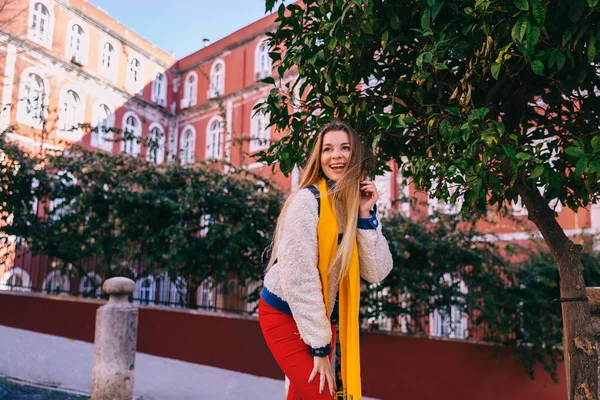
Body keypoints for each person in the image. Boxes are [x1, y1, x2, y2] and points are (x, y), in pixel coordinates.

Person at [258, 121, 393, 400]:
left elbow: (378, 271)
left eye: (345, 148)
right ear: (319, 158)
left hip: (321, 319)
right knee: (321, 394)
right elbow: (300, 277)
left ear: (356, 155)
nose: (337, 156)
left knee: (302, 395)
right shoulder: (307, 202)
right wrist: (319, 348)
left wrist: (366, 216)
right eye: (328, 149)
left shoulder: (354, 204)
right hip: (285, 314)